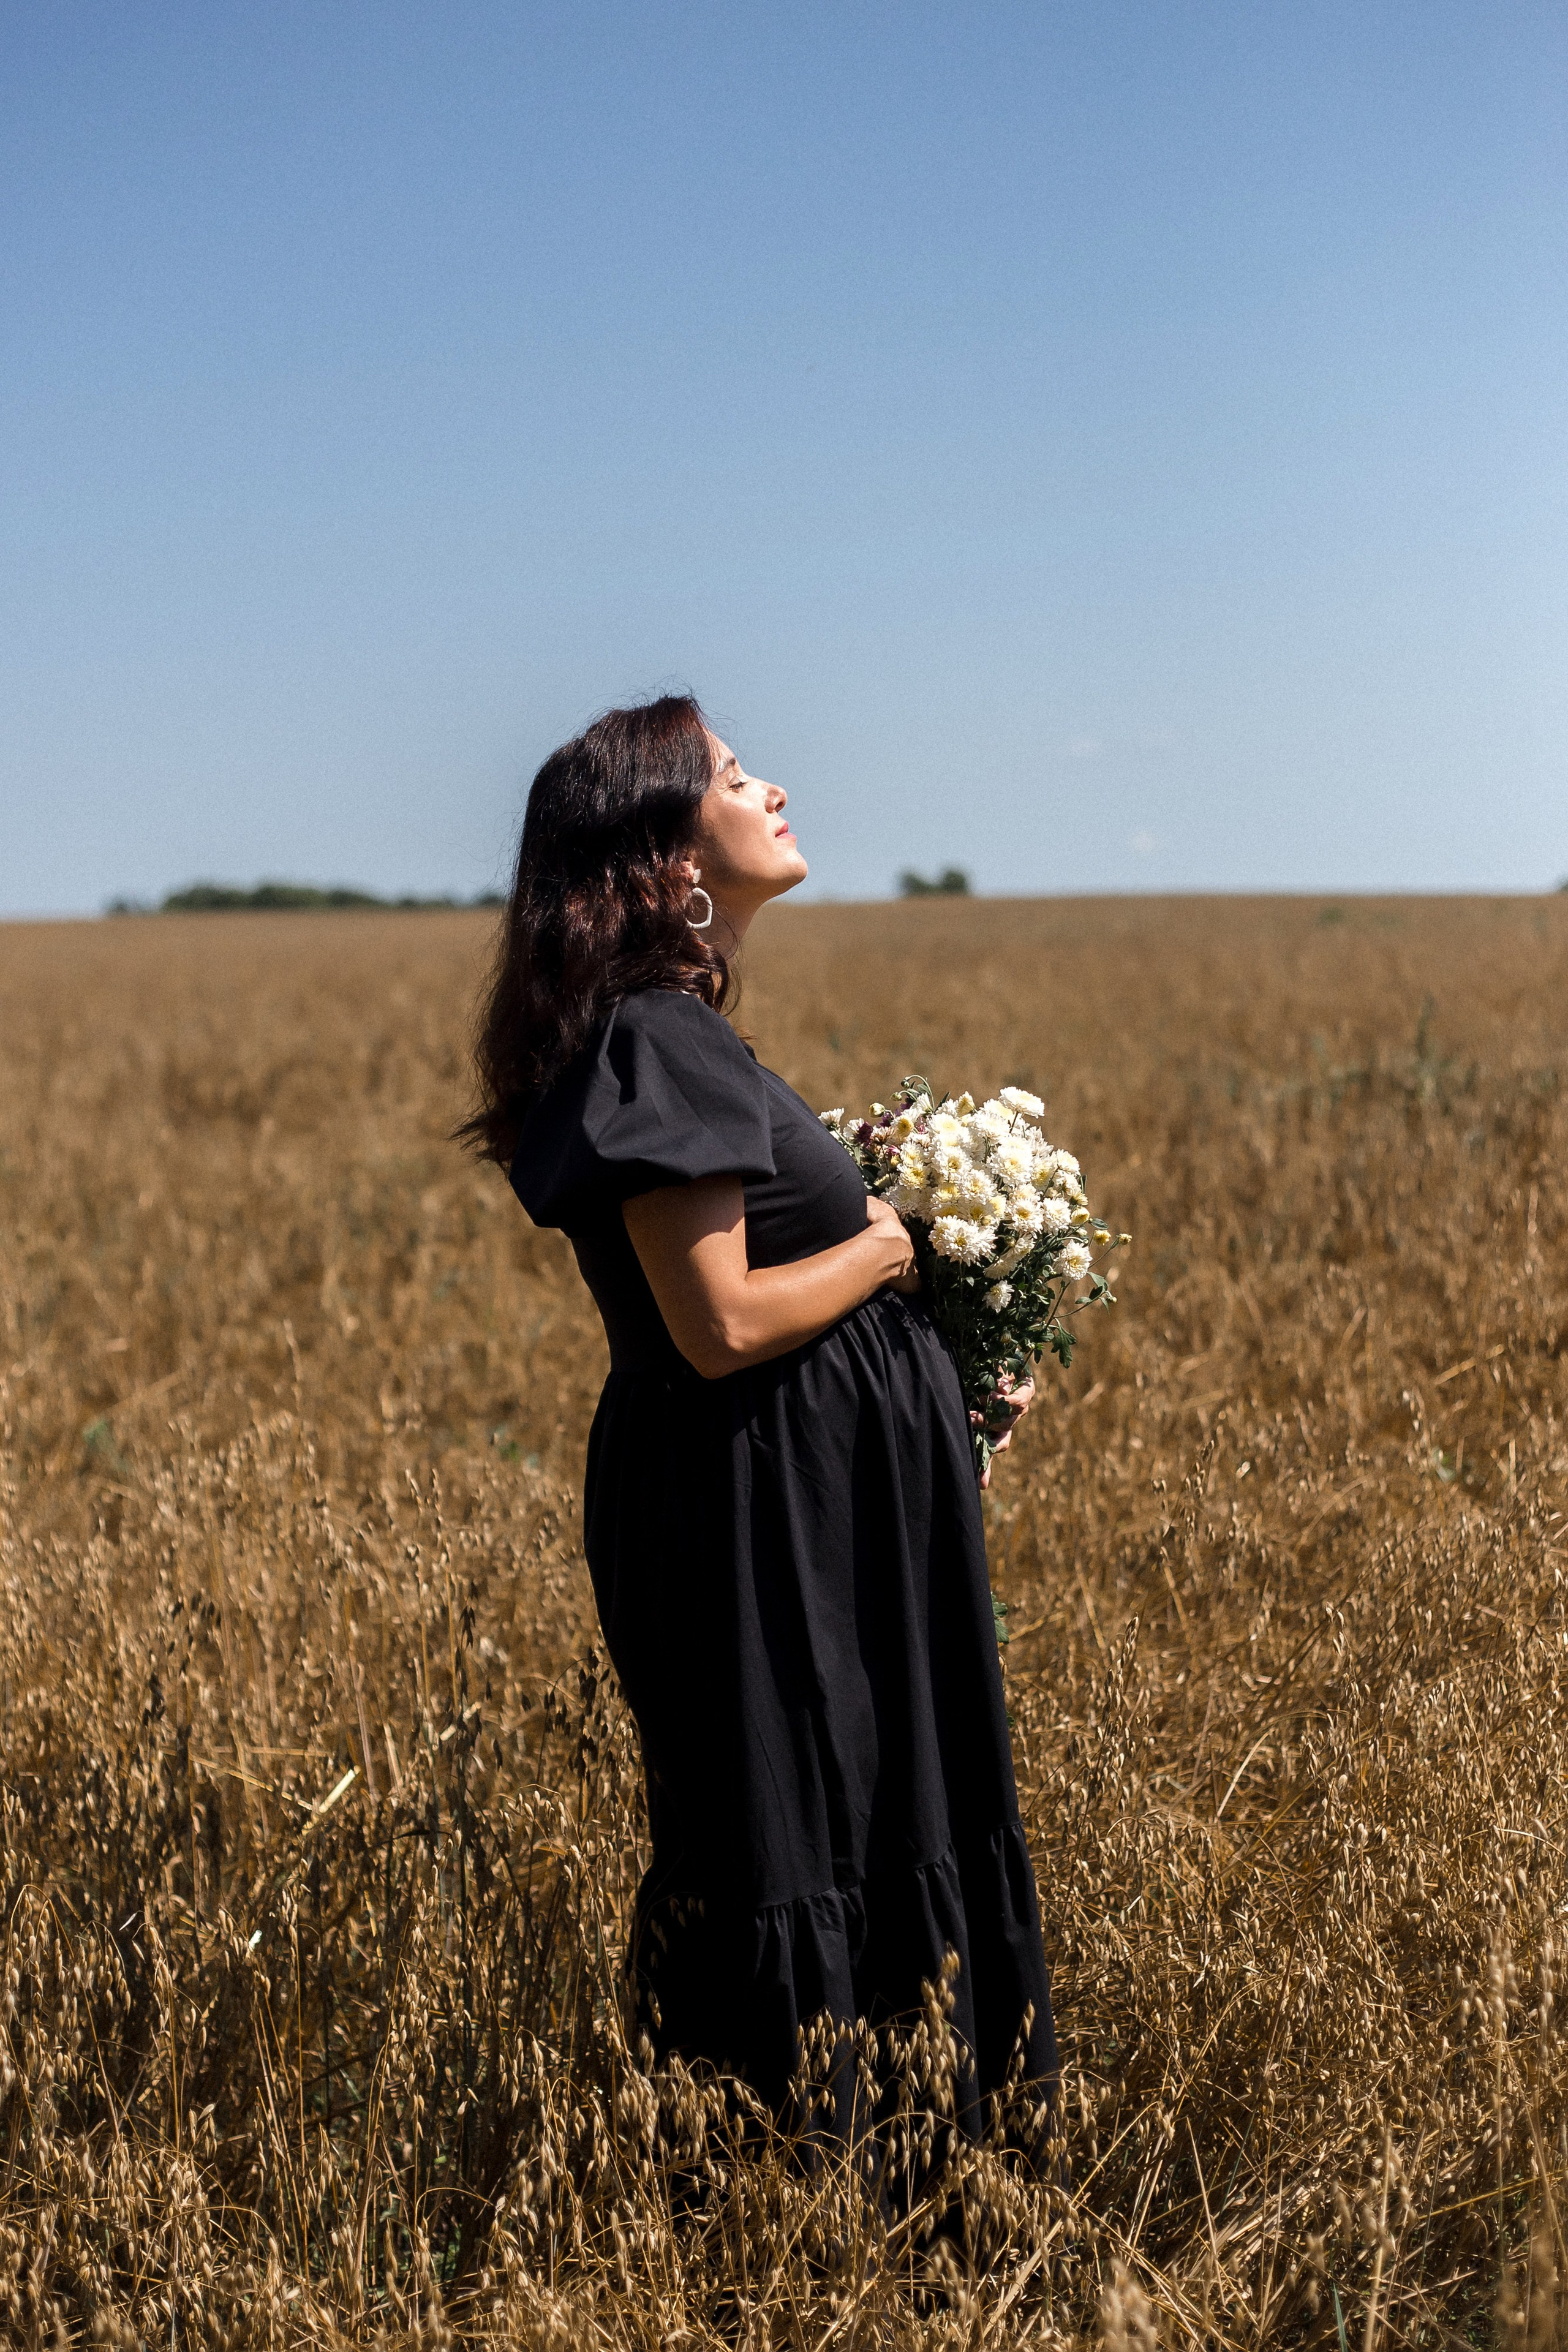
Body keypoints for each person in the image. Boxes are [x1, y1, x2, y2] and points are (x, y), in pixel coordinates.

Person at [461, 695, 1057, 2132]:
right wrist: (900, 1245)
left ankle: (867, 2180)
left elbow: (777, 1347)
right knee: (806, 1827)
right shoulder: (655, 1042)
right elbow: (719, 1323)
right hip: (752, 1528)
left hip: (788, 1509)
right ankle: (797, 2198)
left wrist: (947, 1399)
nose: (772, 784)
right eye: (732, 776)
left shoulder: (670, 1038)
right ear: (667, 857)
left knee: (849, 1813)